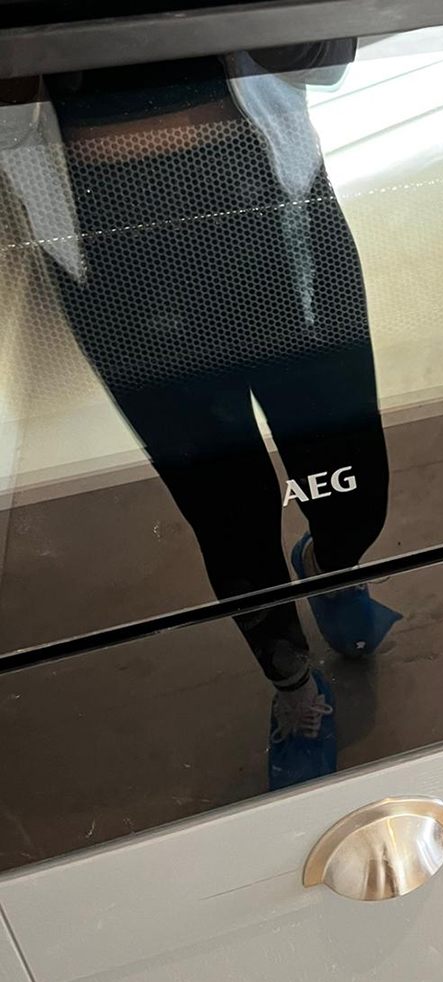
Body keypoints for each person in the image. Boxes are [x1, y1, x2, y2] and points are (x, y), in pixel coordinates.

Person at [0, 40, 398, 789]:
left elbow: (326, 58)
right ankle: (293, 688)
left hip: (276, 208)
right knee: (228, 512)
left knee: (353, 483)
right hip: (111, 247)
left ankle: (329, 564)